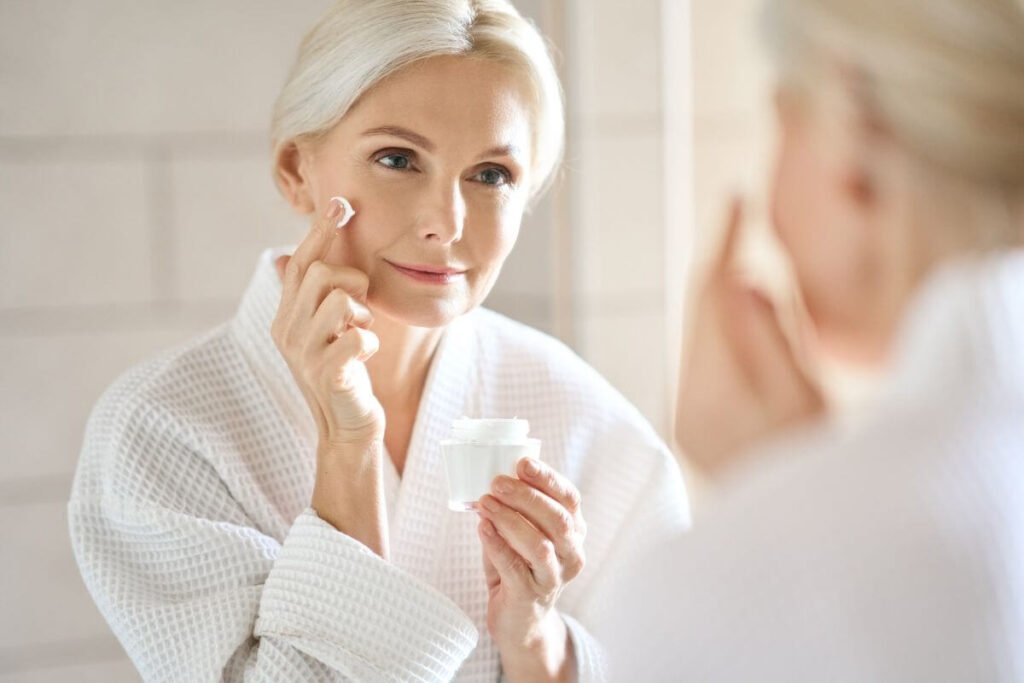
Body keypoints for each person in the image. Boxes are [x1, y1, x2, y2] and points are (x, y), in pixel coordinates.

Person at [68, 1, 689, 681]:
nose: (446, 223)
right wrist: (347, 452)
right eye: (398, 158)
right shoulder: (163, 431)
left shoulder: (582, 416)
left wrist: (536, 635)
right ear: (295, 169)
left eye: (491, 175)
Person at [603, 0, 1024, 679]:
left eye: (782, 120)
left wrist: (765, 511)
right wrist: (791, 469)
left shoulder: (711, 592)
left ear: (857, 136)